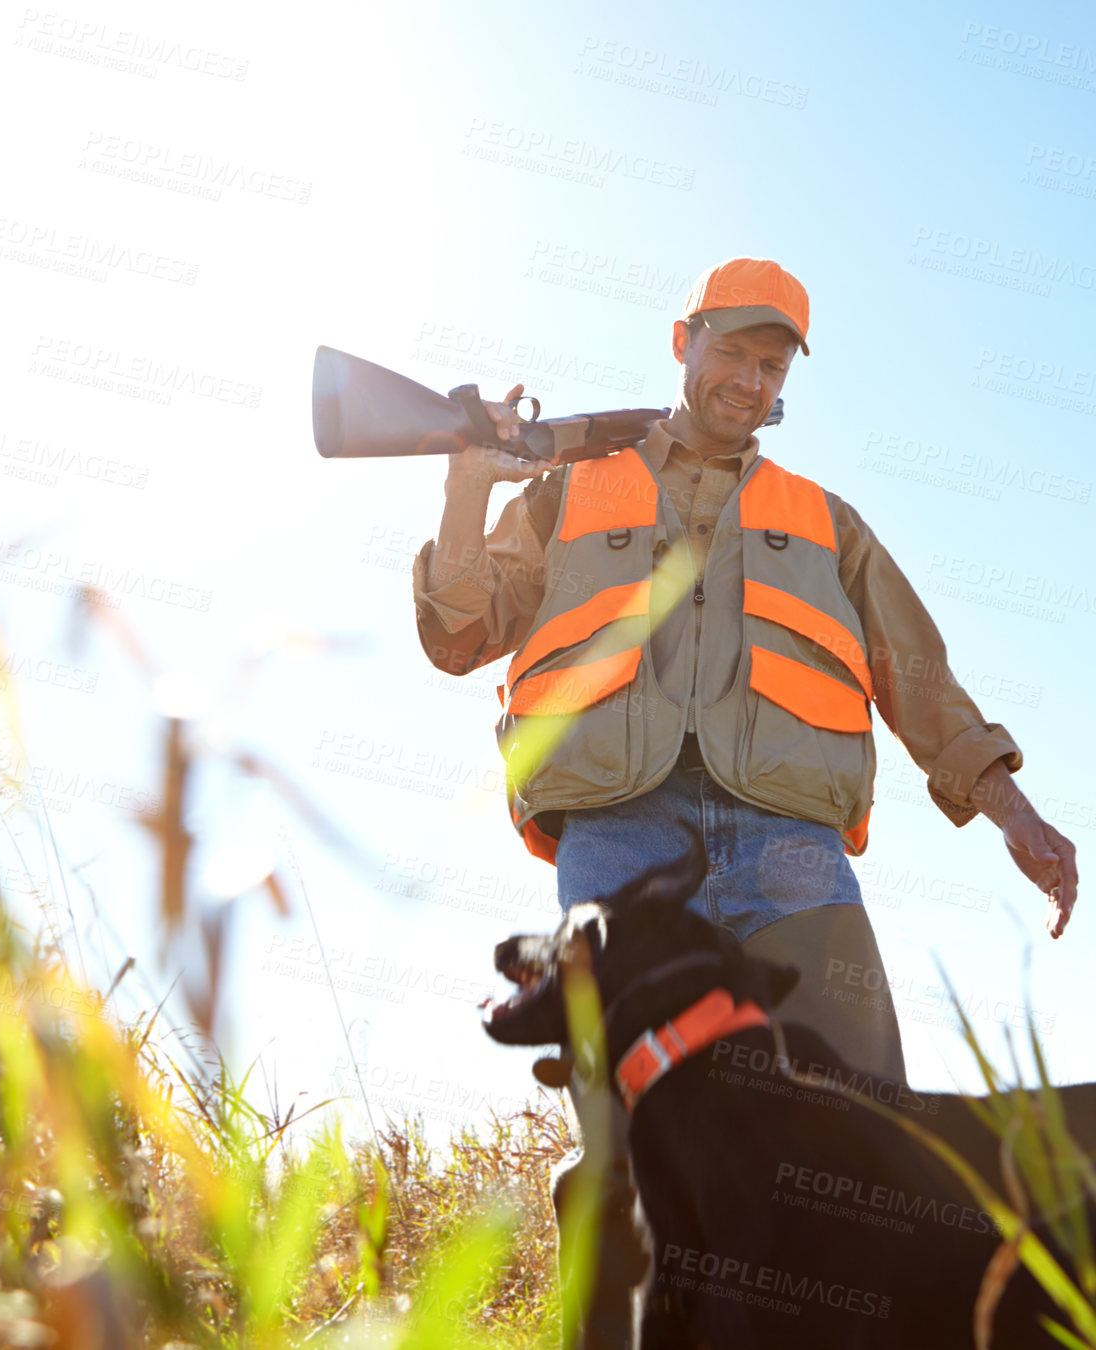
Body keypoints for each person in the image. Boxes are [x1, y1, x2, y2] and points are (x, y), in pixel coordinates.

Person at [410, 256, 1079, 1349]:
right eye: (731, 350)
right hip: (619, 846)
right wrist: (466, 482)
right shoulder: (566, 488)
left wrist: (1010, 810)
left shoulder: (824, 522)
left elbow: (919, 680)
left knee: (867, 1135)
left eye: (771, 364)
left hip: (788, 844)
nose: (749, 378)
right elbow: (456, 632)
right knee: (624, 1145)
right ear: (683, 342)